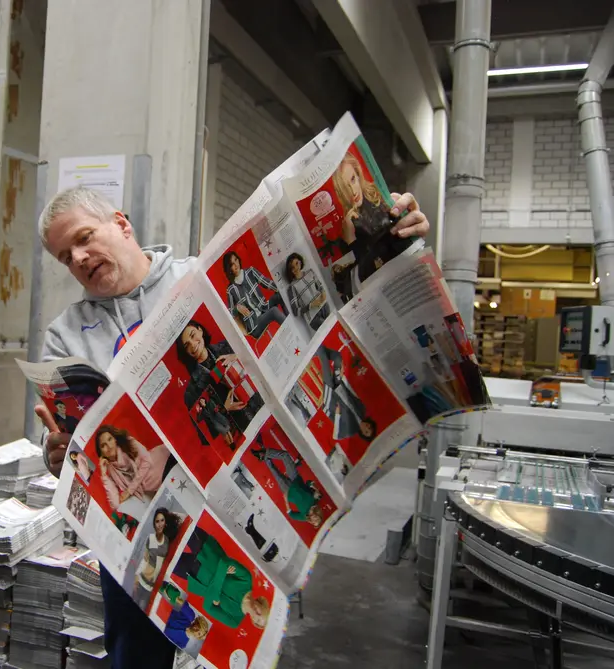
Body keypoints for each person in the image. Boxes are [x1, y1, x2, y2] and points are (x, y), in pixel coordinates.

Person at [33, 185, 429, 668]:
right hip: (138, 544)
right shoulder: (64, 336)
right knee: (135, 659)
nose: (78, 258)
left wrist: (392, 243)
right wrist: (60, 459)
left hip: (232, 518)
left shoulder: (201, 279)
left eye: (84, 237)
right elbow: (70, 445)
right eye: (64, 256)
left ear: (121, 223)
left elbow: (326, 312)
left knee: (230, 648)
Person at [176, 319, 264, 449]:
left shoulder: (227, 346)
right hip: (245, 434)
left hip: (262, 405)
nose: (193, 345)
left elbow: (261, 355)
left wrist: (238, 356)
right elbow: (205, 437)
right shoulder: (191, 391)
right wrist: (223, 410)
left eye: (193, 335)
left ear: (200, 330)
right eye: (186, 345)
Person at [334, 152, 416, 287]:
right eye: (345, 187)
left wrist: (411, 230)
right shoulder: (347, 229)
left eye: (353, 179)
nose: (353, 191)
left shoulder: (382, 201)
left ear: (359, 174)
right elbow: (362, 281)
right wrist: (351, 242)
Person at [172, 527, 270, 629]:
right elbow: (224, 562)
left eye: (258, 619)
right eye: (260, 611)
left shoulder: (234, 621)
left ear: (253, 621)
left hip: (195, 576)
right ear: (261, 604)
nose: (257, 614)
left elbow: (207, 607)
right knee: (175, 524)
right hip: (206, 549)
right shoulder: (247, 579)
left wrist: (222, 574)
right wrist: (215, 596)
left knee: (162, 555)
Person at [94, 425, 174, 512]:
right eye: (103, 445)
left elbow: (147, 461)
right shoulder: (111, 471)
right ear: (101, 453)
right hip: (160, 486)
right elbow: (116, 505)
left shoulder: (129, 442)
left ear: (115, 439)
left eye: (110, 439)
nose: (109, 446)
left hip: (166, 462)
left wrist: (129, 490)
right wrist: (104, 475)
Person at [221, 250, 286, 339]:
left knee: (281, 295)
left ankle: (293, 322)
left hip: (264, 308)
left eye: (236, 260)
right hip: (254, 324)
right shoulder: (230, 290)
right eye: (232, 264)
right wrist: (237, 308)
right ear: (229, 269)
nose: (235, 265)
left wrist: (282, 288)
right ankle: (291, 330)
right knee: (274, 311)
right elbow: (231, 313)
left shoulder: (250, 271)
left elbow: (267, 283)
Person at [135, 507, 183, 608]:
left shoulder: (168, 539)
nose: (160, 524)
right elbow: (145, 557)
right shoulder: (154, 539)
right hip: (143, 582)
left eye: (162, 520)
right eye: (157, 521)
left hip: (151, 587)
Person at [284, 252, 330, 332]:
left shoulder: (310, 272)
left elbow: (320, 286)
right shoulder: (292, 288)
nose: (296, 268)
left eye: (297, 263)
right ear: (290, 271)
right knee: (328, 334)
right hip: (313, 317)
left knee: (335, 329)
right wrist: (310, 305)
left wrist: (323, 292)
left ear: (300, 262)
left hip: (325, 306)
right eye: (292, 267)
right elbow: (296, 311)